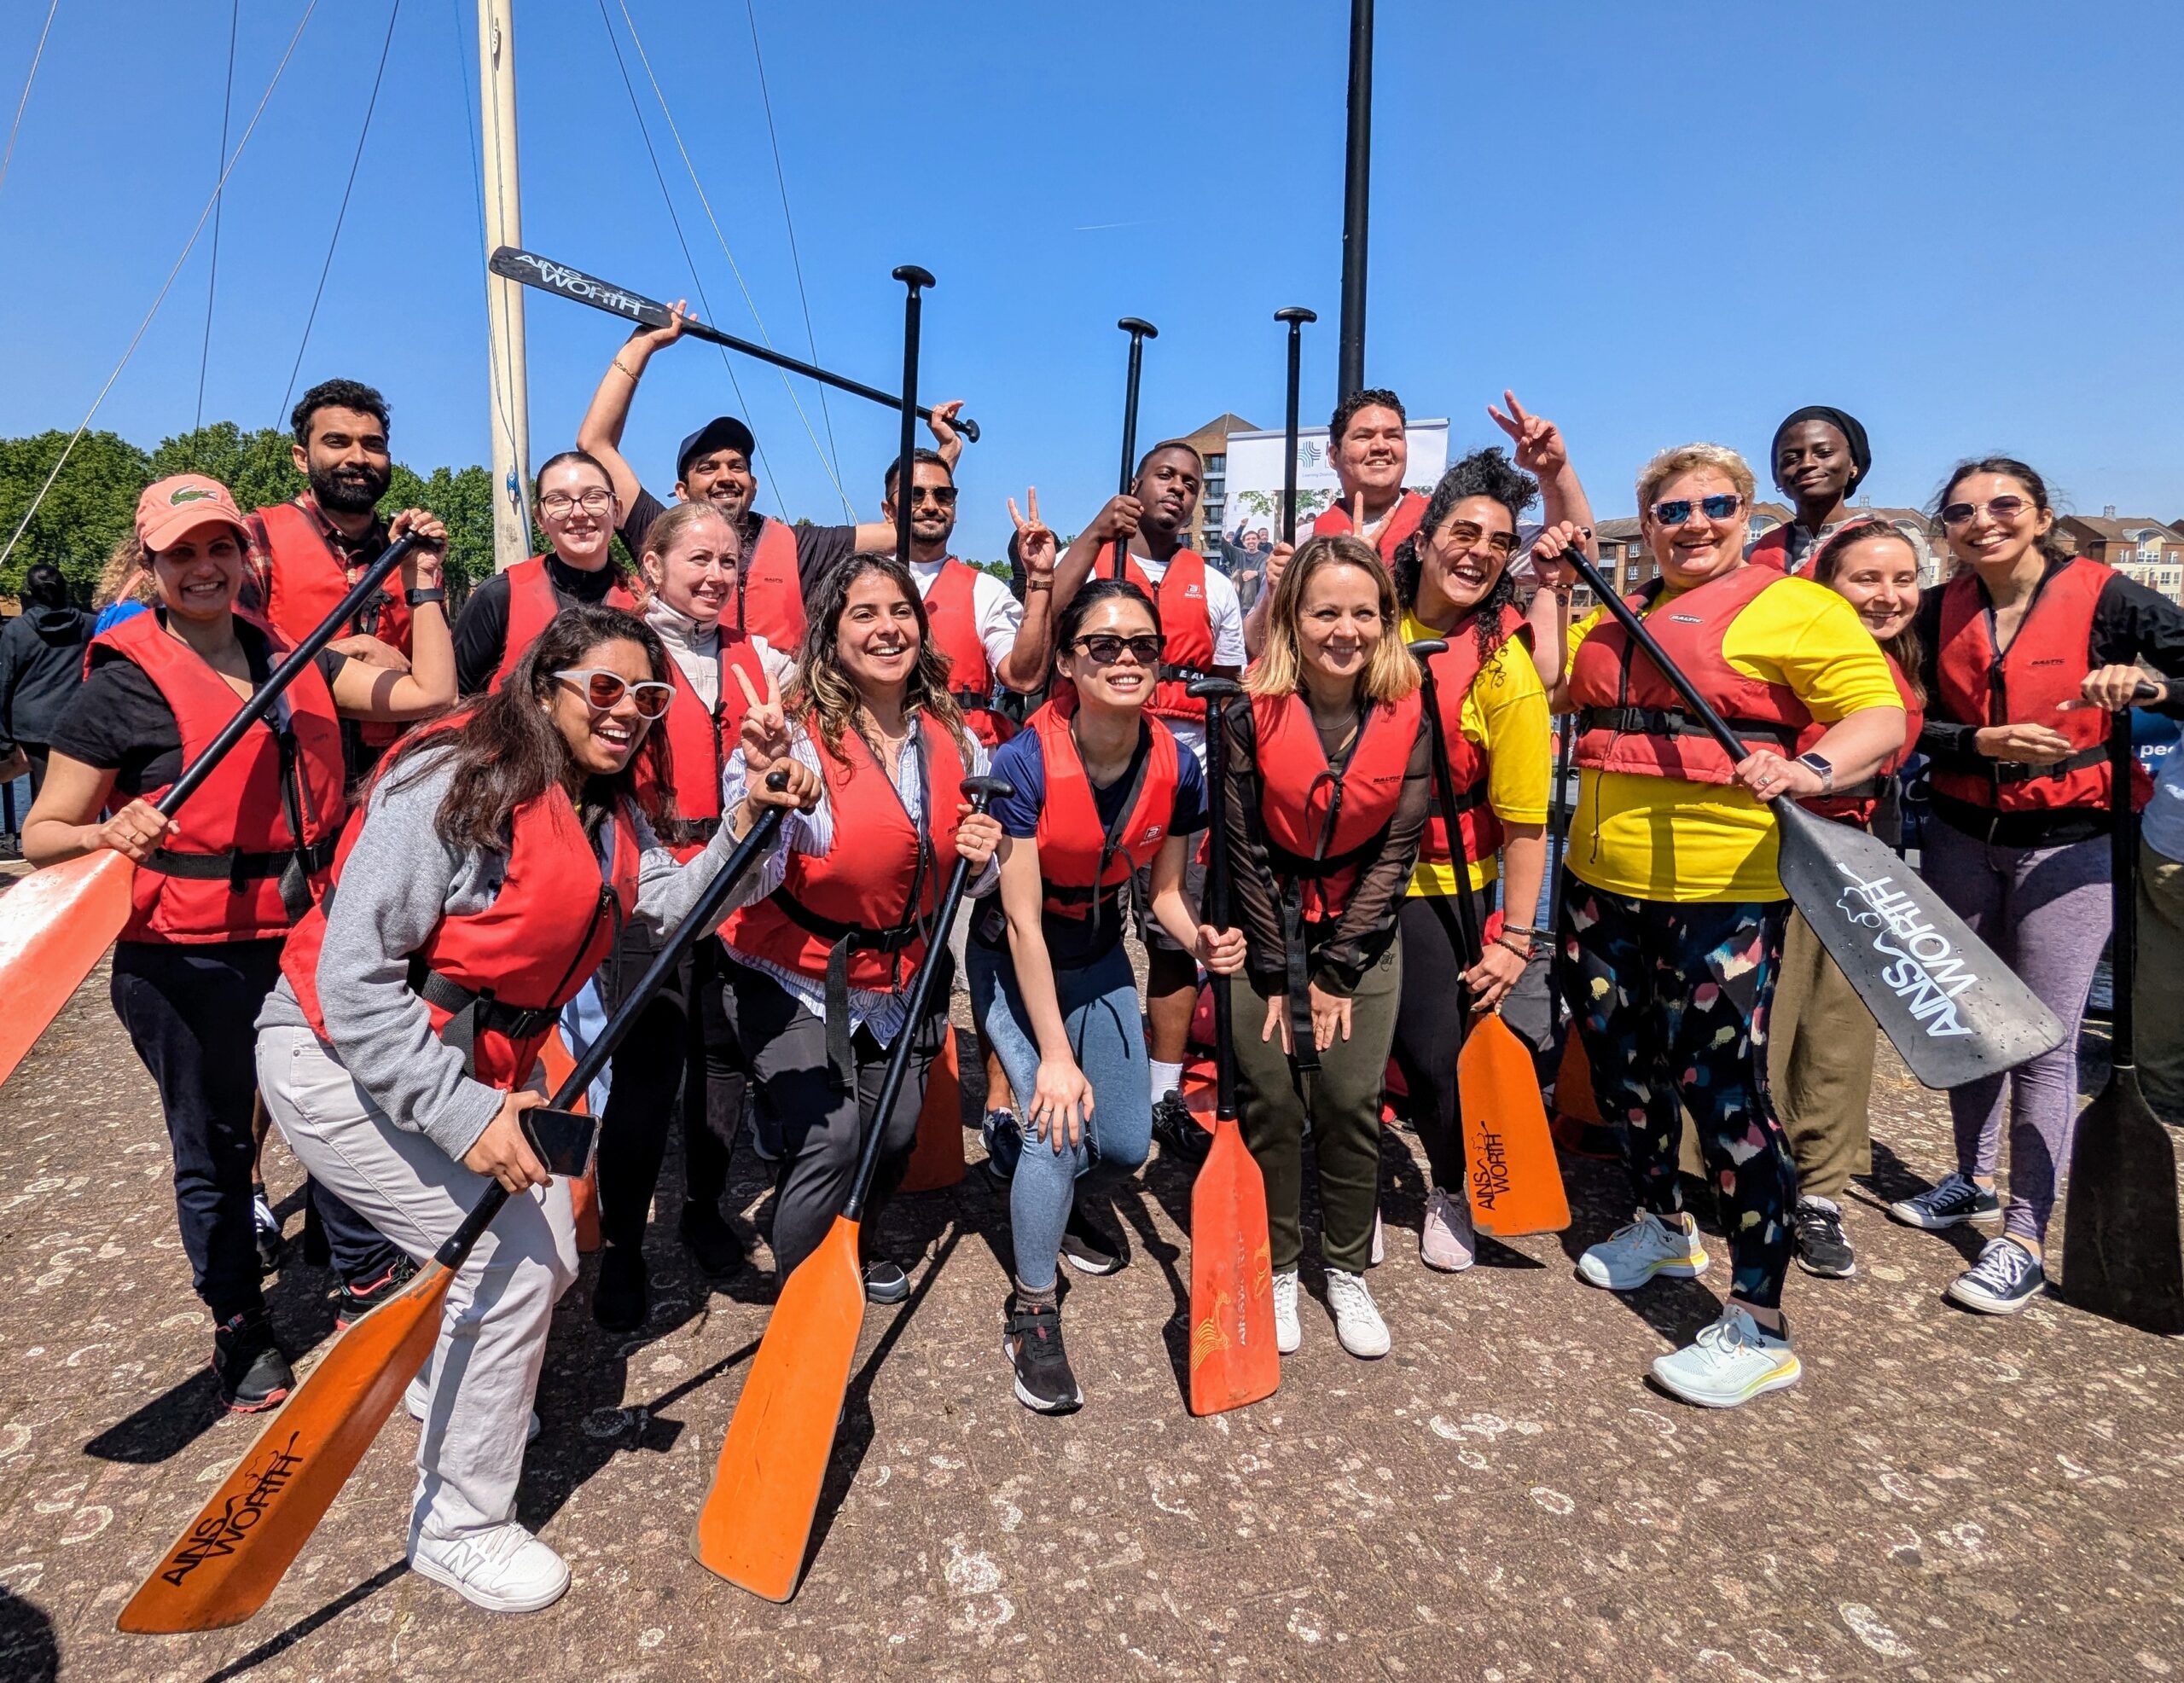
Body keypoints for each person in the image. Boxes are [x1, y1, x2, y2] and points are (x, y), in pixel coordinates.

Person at [255, 602, 816, 1613]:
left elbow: (666, 904)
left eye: (647, 696)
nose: (629, 713)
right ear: (544, 682)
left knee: (543, 1244)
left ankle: (446, 1388)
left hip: (459, 1066)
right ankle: (457, 1523)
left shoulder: (601, 804)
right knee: (518, 1264)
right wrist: (466, 1114)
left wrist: (746, 821)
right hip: (334, 1057)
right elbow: (352, 981)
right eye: (603, 689)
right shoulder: (452, 778)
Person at [22, 474, 456, 1411]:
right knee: (217, 1145)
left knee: (347, 1115)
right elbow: (43, 831)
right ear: (153, 564)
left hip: (302, 940)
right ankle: (238, 1321)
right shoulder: (123, 689)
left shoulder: (302, 651)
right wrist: (109, 830)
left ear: (246, 558)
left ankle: (363, 1282)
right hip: (188, 958)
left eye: (219, 547)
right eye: (182, 552)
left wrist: (424, 580)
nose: (205, 567)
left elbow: (431, 691)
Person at [1552, 442, 1905, 1407]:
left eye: (1713, 505)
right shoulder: (1626, 614)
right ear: (1651, 523)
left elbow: (1876, 716)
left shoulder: (1795, 605)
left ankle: (1760, 1321)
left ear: (1744, 513)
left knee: (1725, 1093)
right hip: (1599, 884)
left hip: (1723, 893)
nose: (1693, 522)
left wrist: (1811, 769)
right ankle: (1664, 1223)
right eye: (1672, 510)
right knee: (1622, 1070)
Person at [1888, 458, 2184, 1313]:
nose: (1982, 521)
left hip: (2069, 844)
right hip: (1956, 835)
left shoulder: (2111, 598)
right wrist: (1975, 742)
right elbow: (1907, 720)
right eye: (1961, 511)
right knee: (1967, 1015)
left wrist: (2152, 683)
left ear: (2041, 513)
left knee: (2043, 1038)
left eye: (2003, 505)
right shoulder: (1938, 609)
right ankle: (1971, 1176)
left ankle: (2021, 1234)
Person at [970, 578, 1243, 1410]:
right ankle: (1033, 1306)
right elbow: (1018, 925)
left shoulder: (1177, 762)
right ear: (1066, 659)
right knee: (1057, 1124)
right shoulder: (1023, 760)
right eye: (1103, 644)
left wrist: (1200, 937)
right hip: (1016, 958)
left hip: (1098, 955)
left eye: (1141, 646)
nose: (1125, 659)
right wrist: (1054, 1056)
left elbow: (1162, 893)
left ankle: (1020, 1171)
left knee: (1123, 1147)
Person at [720, 554, 1003, 1300]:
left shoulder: (955, 738)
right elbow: (752, 875)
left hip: (897, 977)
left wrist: (981, 859)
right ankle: (803, 1295)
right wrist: (766, 798)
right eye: (864, 614)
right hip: (794, 969)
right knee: (833, 1135)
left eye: (900, 611)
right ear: (831, 635)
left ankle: (853, 1237)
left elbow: (969, 876)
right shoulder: (796, 739)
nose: (887, 628)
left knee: (896, 1129)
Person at [1219, 534, 1431, 1359]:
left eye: (1363, 612)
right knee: (1274, 1103)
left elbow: (1399, 844)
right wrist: (1277, 971)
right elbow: (1240, 845)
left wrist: (1338, 967)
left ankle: (1346, 1268)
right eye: (1324, 611)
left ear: (1386, 619)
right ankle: (1277, 1265)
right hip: (1266, 930)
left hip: (1362, 935)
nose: (1345, 629)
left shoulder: (1411, 709)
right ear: (1292, 620)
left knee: (1349, 1104)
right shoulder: (1246, 712)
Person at [590, 501, 794, 1329]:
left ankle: (702, 1207)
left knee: (721, 1060)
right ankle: (623, 1248)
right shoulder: (618, 651)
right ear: (652, 566)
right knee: (644, 1074)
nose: (715, 575)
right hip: (650, 882)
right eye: (697, 560)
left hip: (737, 879)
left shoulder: (761, 661)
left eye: (727, 562)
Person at [1387, 451, 1577, 1271]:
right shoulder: (1366, 623)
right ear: (1425, 539)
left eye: (1499, 542)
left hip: (1448, 885)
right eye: (1463, 531)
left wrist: (1516, 938)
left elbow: (1527, 821)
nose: (1478, 551)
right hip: (1349, 875)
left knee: (1434, 1057)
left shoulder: (1505, 663)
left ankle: (1451, 1186)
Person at [1050, 442, 1245, 1163]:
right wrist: (1098, 532)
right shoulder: (1100, 562)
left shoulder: (1216, 587)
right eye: (1166, 475)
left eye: (1192, 483)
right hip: (1093, 773)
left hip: (1177, 782)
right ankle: (1055, 1061)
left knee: (1172, 939)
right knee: (1076, 926)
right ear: (1137, 483)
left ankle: (1164, 1089)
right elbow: (1051, 615)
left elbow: (1231, 691)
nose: (1180, 490)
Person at [574, 301, 965, 648]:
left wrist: (945, 457)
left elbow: (908, 530)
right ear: (681, 490)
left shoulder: (798, 546)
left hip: (776, 719)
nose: (725, 476)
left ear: (754, 486)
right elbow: (595, 443)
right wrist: (643, 345)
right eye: (707, 468)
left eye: (737, 466)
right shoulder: (659, 531)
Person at [1766, 524, 1924, 1280]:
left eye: (1903, 579)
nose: (1887, 596)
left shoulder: (1902, 666)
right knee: (1761, 1029)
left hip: (1853, 863)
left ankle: (1820, 1192)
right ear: (1825, 585)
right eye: (1866, 579)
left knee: (1836, 1033)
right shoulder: (1796, 652)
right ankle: (1738, 1178)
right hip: (1772, 859)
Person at [1249, 392, 1583, 690]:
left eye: (1393, 435)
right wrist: (1276, 595)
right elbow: (1256, 643)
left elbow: (1575, 554)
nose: (1381, 445)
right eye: (1364, 436)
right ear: (1333, 455)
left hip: (1440, 690)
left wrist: (1554, 473)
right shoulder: (1305, 539)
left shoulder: (1457, 526)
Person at [246, 379, 425, 771]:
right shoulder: (256, 539)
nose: (358, 457)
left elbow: (442, 676)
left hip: (391, 779)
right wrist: (344, 655)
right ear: (301, 456)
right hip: (289, 771)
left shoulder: (412, 554)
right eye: (337, 442)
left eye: (372, 445)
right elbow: (220, 660)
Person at [880, 449, 1054, 746]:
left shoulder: (985, 590)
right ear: (889, 511)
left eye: (943, 496)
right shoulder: (861, 585)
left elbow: (1024, 678)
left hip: (964, 754)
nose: (930, 505)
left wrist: (1040, 577)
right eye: (916, 495)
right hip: (881, 748)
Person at [451, 451, 639, 695]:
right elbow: (455, 699)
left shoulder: (647, 604)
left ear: (616, 510)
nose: (579, 512)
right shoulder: (499, 596)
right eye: (559, 501)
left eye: (594, 497)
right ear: (540, 519)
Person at [1748, 405, 1873, 575]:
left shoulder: (1890, 546)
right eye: (1791, 458)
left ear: (1854, 464)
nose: (1807, 464)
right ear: (1777, 475)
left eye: (1824, 453)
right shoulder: (1752, 556)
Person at [0, 562, 89, 795]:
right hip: (76, 721)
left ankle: (47, 828)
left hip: (32, 725)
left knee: (47, 792)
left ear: (30, 593)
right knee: (78, 793)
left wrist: (5, 740)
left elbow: (5, 682)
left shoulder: (16, 630)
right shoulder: (89, 625)